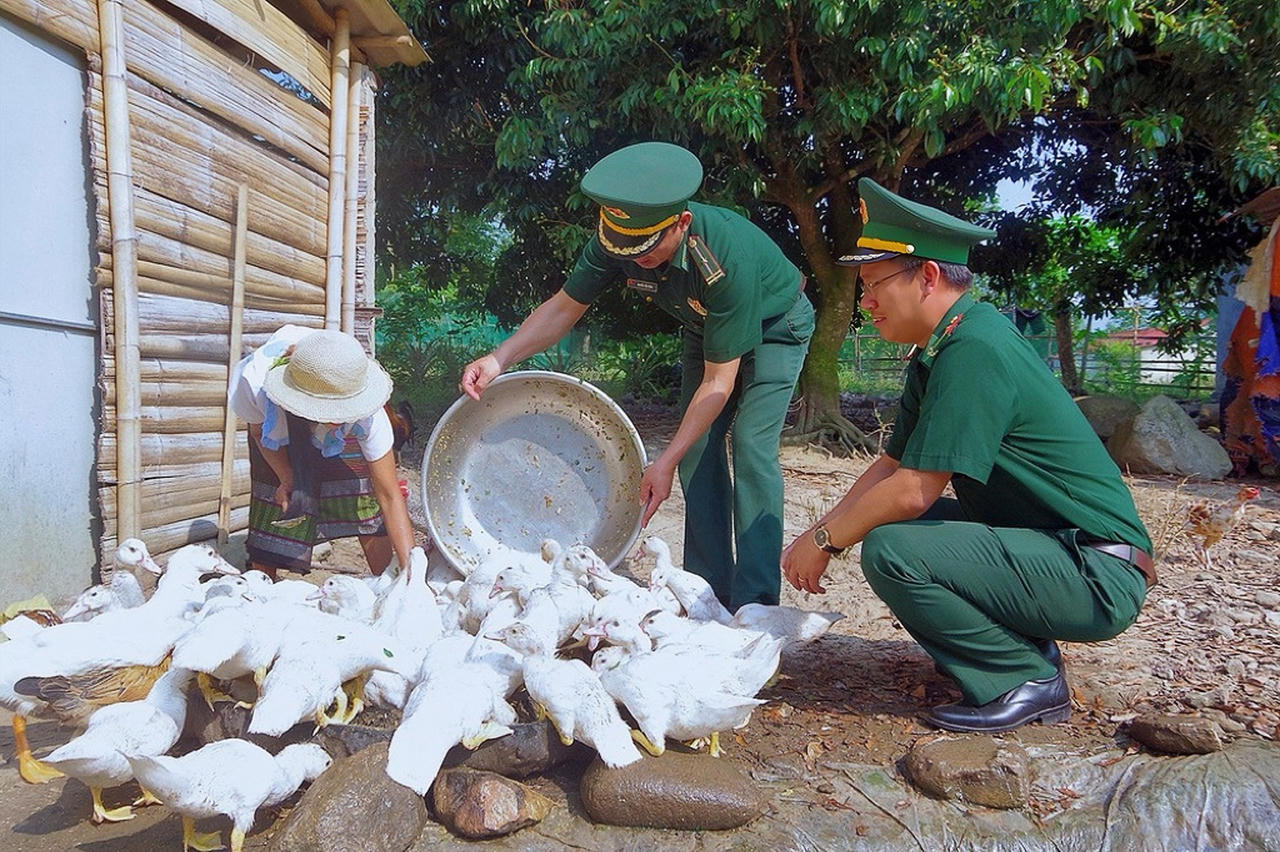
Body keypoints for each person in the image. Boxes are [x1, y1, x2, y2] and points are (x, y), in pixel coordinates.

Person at [781, 179, 1154, 733]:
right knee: (901, 529)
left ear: (927, 276)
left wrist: (825, 542)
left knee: (894, 548)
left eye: (873, 284)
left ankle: (1021, 678)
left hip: (1094, 571)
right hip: (1057, 550)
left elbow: (913, 492)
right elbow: (891, 466)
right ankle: (1021, 648)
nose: (865, 303)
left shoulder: (976, 348)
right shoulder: (942, 350)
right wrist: (820, 528)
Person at [461, 142, 814, 610]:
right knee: (698, 453)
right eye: (626, 248)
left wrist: (662, 460)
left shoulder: (723, 258)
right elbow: (564, 307)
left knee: (751, 443)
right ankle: (708, 593)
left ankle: (755, 603)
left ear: (682, 223)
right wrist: (500, 357)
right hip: (704, 326)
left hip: (776, 327)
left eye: (648, 247)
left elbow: (718, 384)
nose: (635, 257)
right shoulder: (618, 239)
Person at [229, 326, 414, 578]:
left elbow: (390, 496)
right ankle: (262, 590)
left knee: (363, 498)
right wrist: (286, 476)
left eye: (344, 409)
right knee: (272, 504)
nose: (337, 418)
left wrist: (412, 578)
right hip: (278, 427)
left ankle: (388, 581)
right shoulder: (253, 384)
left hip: (334, 408)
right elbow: (257, 432)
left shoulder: (368, 416)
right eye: (330, 410)